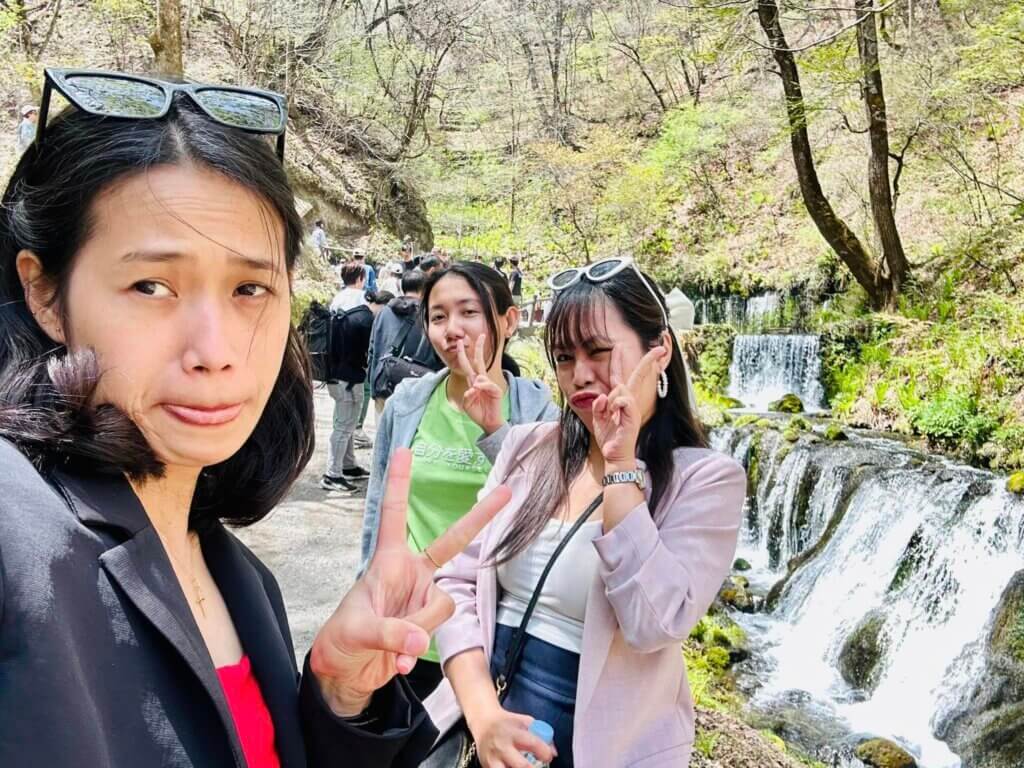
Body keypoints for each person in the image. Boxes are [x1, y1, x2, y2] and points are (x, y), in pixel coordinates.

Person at [0, 67, 508, 768]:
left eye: (249, 288)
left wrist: (339, 699)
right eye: (152, 286)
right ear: (44, 293)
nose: (216, 352)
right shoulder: (15, 530)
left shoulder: (238, 577)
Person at [426, 258, 746, 768]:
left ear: (658, 350)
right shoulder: (529, 448)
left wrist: (620, 463)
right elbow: (457, 583)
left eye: (598, 351)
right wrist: (485, 716)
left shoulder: (705, 480)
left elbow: (652, 624)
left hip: (605, 748)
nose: (580, 375)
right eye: (563, 358)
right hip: (484, 718)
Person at [360, 262, 560, 700]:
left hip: (480, 639)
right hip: (402, 630)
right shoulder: (408, 404)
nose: (452, 330)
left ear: (508, 321)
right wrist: (366, 596)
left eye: (468, 313)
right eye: (437, 316)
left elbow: (547, 516)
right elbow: (379, 508)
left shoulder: (539, 413)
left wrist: (495, 434)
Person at [322, 264, 375, 491]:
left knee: (348, 422)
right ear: (362, 278)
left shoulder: (337, 300)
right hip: (349, 374)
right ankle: (332, 474)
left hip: (335, 371)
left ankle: (348, 464)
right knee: (344, 425)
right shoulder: (362, 304)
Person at [366, 268, 442, 414]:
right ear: (425, 289)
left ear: (402, 287)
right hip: (416, 388)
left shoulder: (384, 311)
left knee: (384, 434)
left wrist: (374, 382)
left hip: (384, 384)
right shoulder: (430, 315)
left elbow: (373, 348)